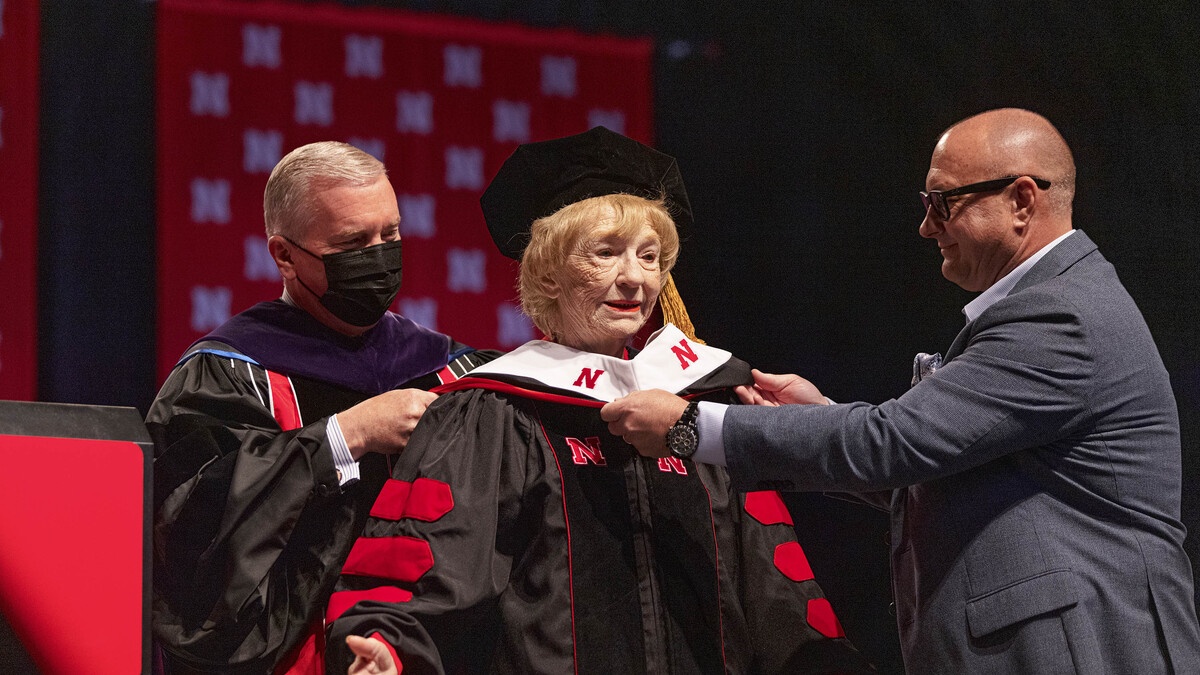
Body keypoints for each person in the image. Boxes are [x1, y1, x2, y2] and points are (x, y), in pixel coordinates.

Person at [602, 109, 1200, 673]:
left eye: (942, 203)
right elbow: (930, 464)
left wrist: (691, 427)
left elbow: (893, 441)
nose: (925, 226)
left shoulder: (1059, 318)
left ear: (1022, 200)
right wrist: (826, 416)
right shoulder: (1052, 305)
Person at [324, 127, 873, 674]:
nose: (634, 278)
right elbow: (429, 552)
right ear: (548, 274)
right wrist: (386, 645)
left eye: (650, 255)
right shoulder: (495, 411)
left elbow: (771, 582)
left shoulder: (704, 402)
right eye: (605, 253)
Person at [148, 141, 498, 674]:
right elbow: (191, 530)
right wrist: (342, 436)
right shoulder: (226, 373)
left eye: (391, 234)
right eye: (354, 242)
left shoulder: (446, 365)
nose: (379, 255)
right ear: (284, 255)